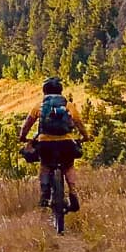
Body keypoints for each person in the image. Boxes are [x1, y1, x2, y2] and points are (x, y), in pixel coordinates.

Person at [19, 77, 82, 212]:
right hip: (66, 143)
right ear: (60, 90)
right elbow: (78, 122)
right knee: (69, 166)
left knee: (45, 166)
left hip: (45, 144)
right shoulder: (68, 105)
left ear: (44, 91)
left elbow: (27, 125)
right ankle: (73, 192)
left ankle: (45, 193)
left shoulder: (39, 105)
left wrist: (22, 137)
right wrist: (86, 137)